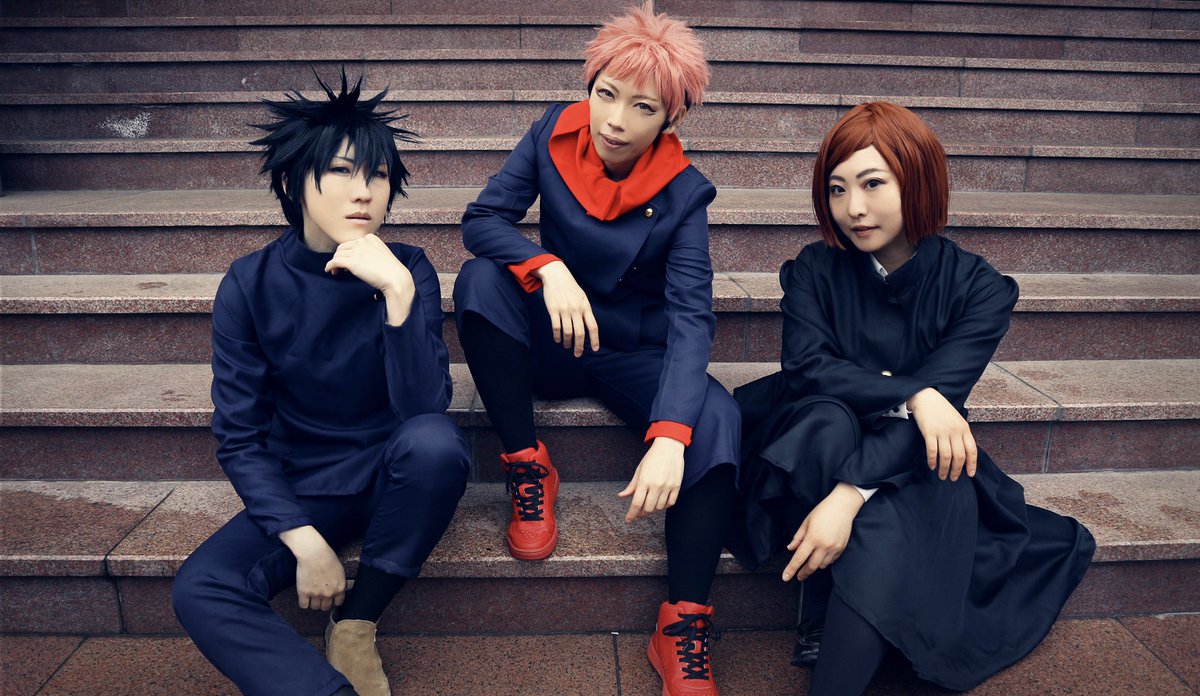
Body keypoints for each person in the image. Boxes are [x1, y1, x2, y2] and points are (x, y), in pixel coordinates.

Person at [727, 101, 1095, 694]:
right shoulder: (814, 269)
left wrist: (848, 496)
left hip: (915, 453)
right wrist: (916, 392)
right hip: (811, 439)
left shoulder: (979, 288)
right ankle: (824, 611)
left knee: (892, 507)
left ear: (918, 181)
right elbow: (808, 370)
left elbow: (938, 406)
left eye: (873, 184)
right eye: (838, 188)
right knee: (823, 421)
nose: (853, 207)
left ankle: (828, 624)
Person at [453, 4, 737, 694]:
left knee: (718, 416)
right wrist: (546, 267)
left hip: (631, 348)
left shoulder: (684, 193)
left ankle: (682, 624)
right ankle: (528, 465)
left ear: (669, 119)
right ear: (590, 87)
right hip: (556, 331)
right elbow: (483, 220)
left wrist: (670, 436)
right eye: (607, 94)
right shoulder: (552, 131)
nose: (615, 120)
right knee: (480, 281)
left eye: (643, 107)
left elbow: (692, 317)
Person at [172, 71, 470, 696]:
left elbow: (425, 408)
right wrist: (303, 540)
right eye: (339, 171)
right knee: (202, 585)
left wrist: (396, 294)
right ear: (291, 183)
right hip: (307, 484)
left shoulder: (407, 267)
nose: (363, 192)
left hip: (394, 470)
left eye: (378, 175)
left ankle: (356, 625)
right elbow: (240, 436)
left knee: (437, 443)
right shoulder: (249, 284)